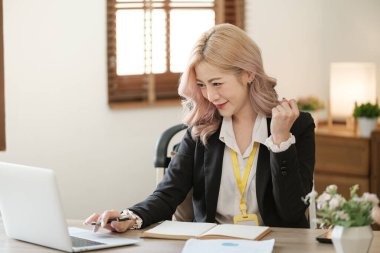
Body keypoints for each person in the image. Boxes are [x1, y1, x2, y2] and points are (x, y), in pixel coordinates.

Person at [84, 23, 315, 232]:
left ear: (248, 73)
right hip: (212, 244)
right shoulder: (202, 129)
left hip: (277, 245)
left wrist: (280, 141)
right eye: (202, 85)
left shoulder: (297, 126)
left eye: (217, 83)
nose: (211, 95)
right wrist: (129, 217)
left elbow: (292, 212)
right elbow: (167, 194)